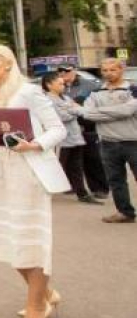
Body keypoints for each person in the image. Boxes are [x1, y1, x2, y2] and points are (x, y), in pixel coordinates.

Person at [0, 45, 67, 318]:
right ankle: (46, 294)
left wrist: (33, 144)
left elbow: (58, 129)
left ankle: (37, 309)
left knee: (29, 240)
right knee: (8, 239)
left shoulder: (28, 91)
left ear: (8, 63)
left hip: (26, 171)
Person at [79, 58, 137, 224]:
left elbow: (128, 110)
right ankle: (124, 212)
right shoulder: (96, 92)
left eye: (113, 70)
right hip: (108, 142)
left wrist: (100, 112)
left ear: (121, 70)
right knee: (116, 180)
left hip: (133, 141)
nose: (108, 73)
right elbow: (87, 114)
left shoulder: (133, 89)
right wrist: (116, 112)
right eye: (105, 70)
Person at [40, 72, 103, 205]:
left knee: (76, 167)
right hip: (60, 140)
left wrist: (72, 109)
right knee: (55, 167)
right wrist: (73, 110)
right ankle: (41, 193)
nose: (63, 86)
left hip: (75, 138)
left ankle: (82, 194)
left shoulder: (66, 98)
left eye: (63, 84)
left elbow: (82, 111)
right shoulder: (46, 100)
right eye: (60, 84)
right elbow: (61, 117)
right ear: (49, 85)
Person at [59, 64, 108, 198]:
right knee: (71, 160)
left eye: (67, 71)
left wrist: (80, 107)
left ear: (74, 71)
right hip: (68, 129)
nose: (63, 73)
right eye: (61, 71)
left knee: (92, 158)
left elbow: (99, 104)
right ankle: (74, 186)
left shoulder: (89, 85)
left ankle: (99, 188)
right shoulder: (59, 86)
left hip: (87, 126)